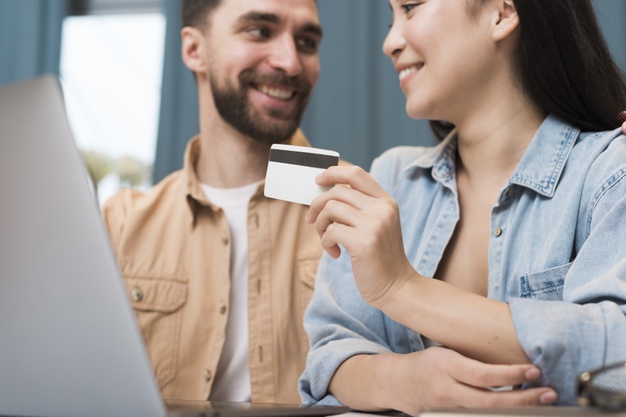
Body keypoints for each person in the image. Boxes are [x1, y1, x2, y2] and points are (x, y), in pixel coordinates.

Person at [299, 0, 626, 415]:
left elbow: (618, 351)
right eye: (390, 18)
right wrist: (406, 382)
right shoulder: (389, 179)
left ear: (502, 12)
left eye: (411, 8)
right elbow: (329, 354)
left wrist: (403, 289)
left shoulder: (609, 173)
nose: (389, 42)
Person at [102, 0, 325, 404]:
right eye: (260, 31)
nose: (291, 62)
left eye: (306, 41)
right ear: (194, 50)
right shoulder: (117, 226)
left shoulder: (358, 206)